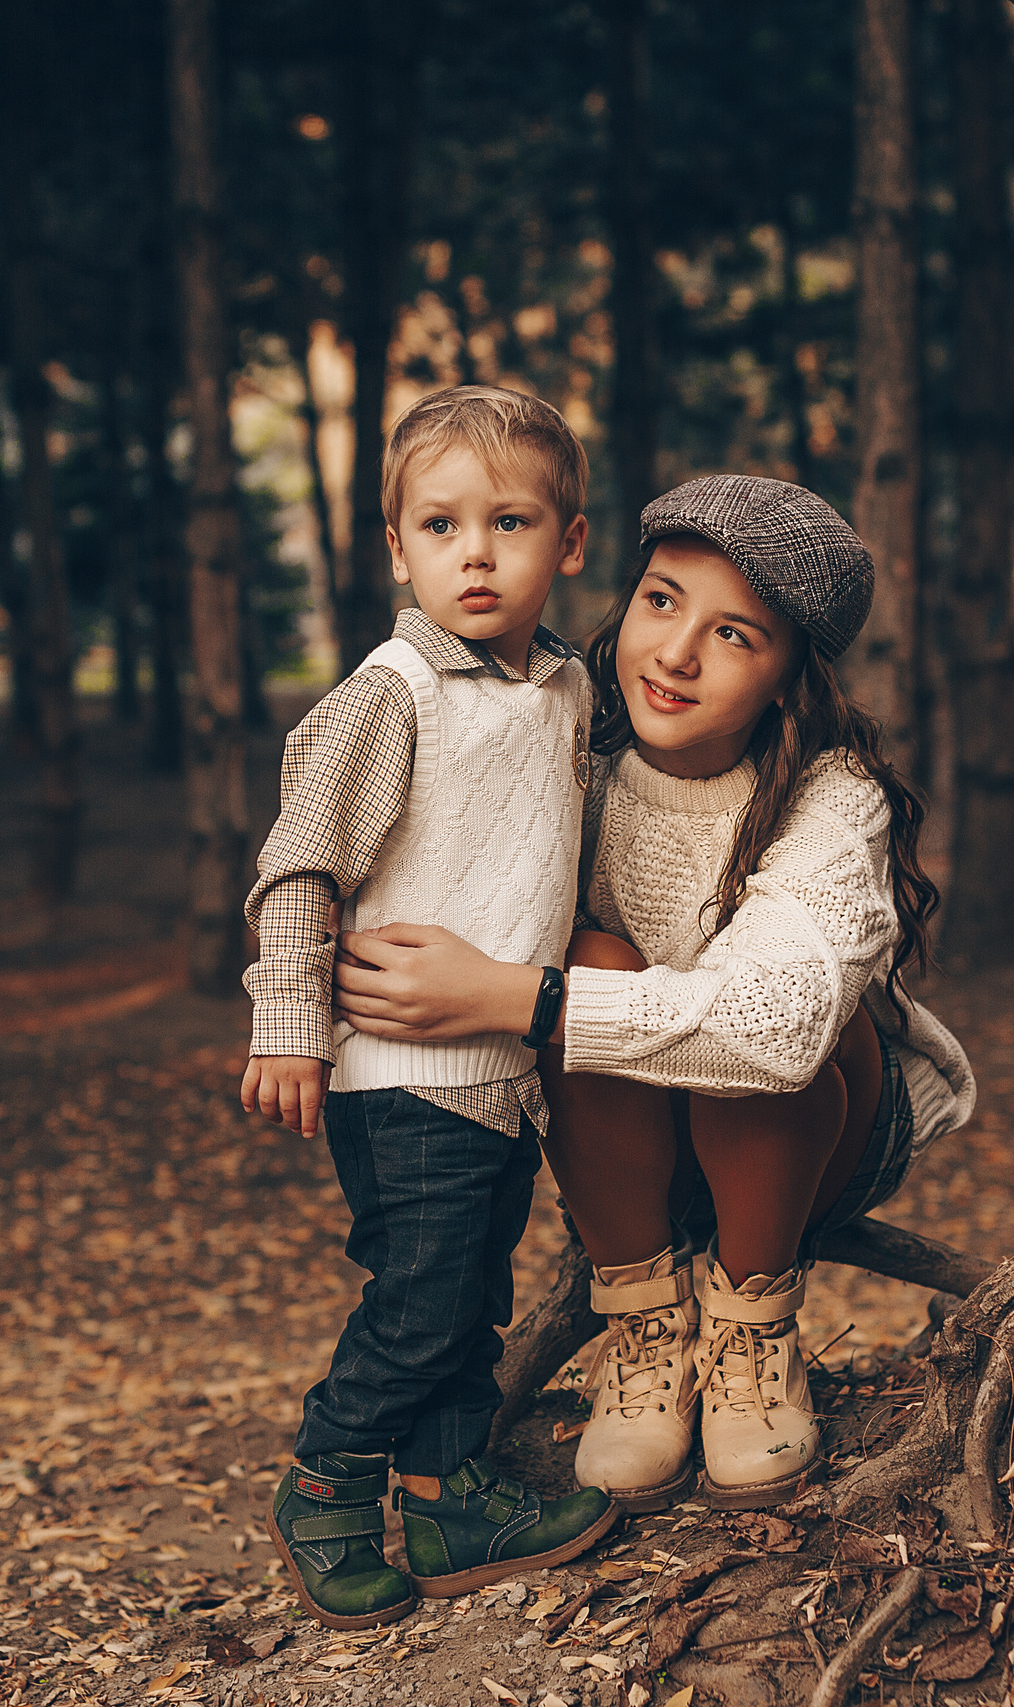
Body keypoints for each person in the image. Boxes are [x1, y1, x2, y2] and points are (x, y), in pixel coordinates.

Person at [333, 474, 976, 1512]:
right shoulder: (573, 752)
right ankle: (645, 1325)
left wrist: (520, 1000)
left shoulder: (833, 796)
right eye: (662, 602)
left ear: (788, 678)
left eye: (734, 635)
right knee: (590, 954)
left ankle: (754, 1331)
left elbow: (776, 1030)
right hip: (629, 1147)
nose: (675, 654)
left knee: (769, 1011)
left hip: (818, 1130)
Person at [238, 385, 620, 1630]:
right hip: (399, 1072)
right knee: (418, 1304)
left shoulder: (565, 687)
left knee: (472, 1299)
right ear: (398, 550)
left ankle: (448, 1498)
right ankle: (324, 1484)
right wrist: (289, 1024)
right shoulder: (392, 691)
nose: (476, 554)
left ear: (569, 542)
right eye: (441, 526)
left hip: (502, 1063)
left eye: (510, 523)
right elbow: (300, 863)